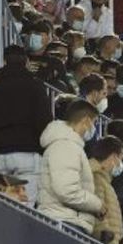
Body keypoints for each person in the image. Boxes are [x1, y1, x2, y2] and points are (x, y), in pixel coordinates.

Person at [0, 45, 53, 204]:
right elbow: (44, 121)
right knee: (25, 208)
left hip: (0, 156)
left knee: (1, 205)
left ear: (4, 61)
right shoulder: (35, 87)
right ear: (26, 62)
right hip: (29, 154)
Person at [36, 100, 104, 233]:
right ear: (85, 120)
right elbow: (67, 190)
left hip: (67, 220)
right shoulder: (66, 145)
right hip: (65, 222)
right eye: (94, 122)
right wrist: (97, 204)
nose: (93, 129)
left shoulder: (71, 145)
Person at [87, 135, 123, 244]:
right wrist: (106, 238)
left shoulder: (105, 181)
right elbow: (98, 213)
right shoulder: (96, 178)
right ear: (113, 156)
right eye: (120, 159)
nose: (121, 165)